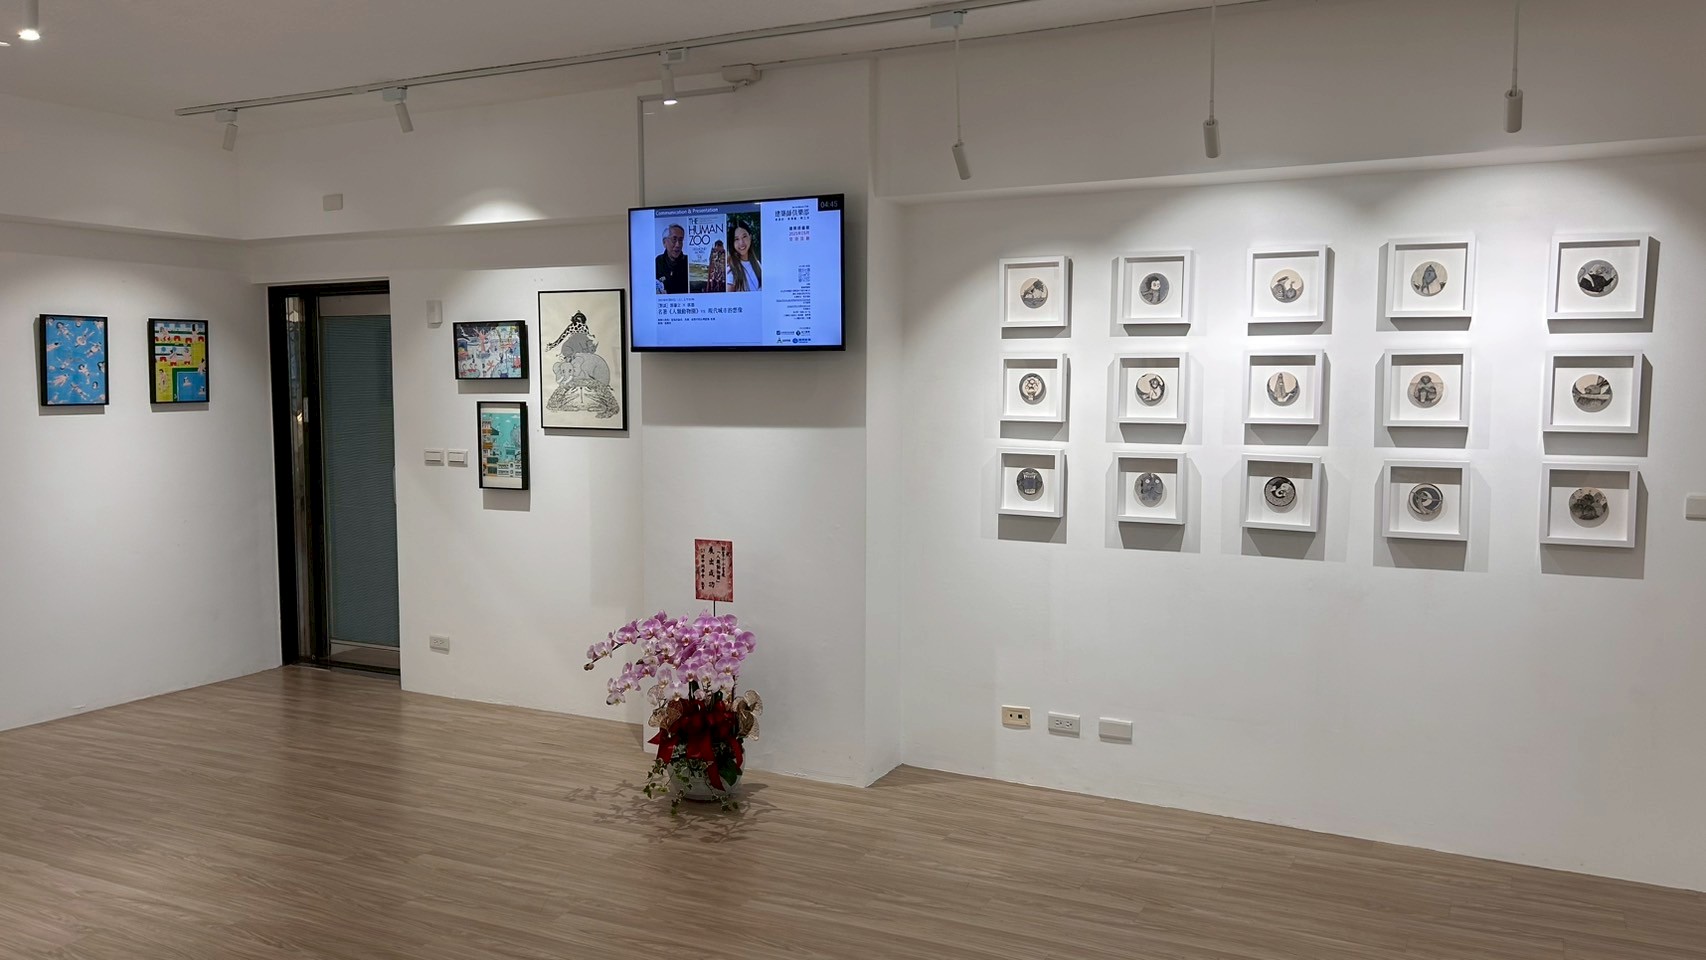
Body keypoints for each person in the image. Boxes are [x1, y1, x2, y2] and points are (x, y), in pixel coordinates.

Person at [726, 222, 762, 292]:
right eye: (736, 239)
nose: (741, 243)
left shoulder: (758, 264)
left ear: (750, 237)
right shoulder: (731, 268)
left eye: (744, 236)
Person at [655, 223, 688, 294]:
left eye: (680, 240)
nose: (678, 245)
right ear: (664, 242)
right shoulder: (657, 262)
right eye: (674, 239)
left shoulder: (687, 262)